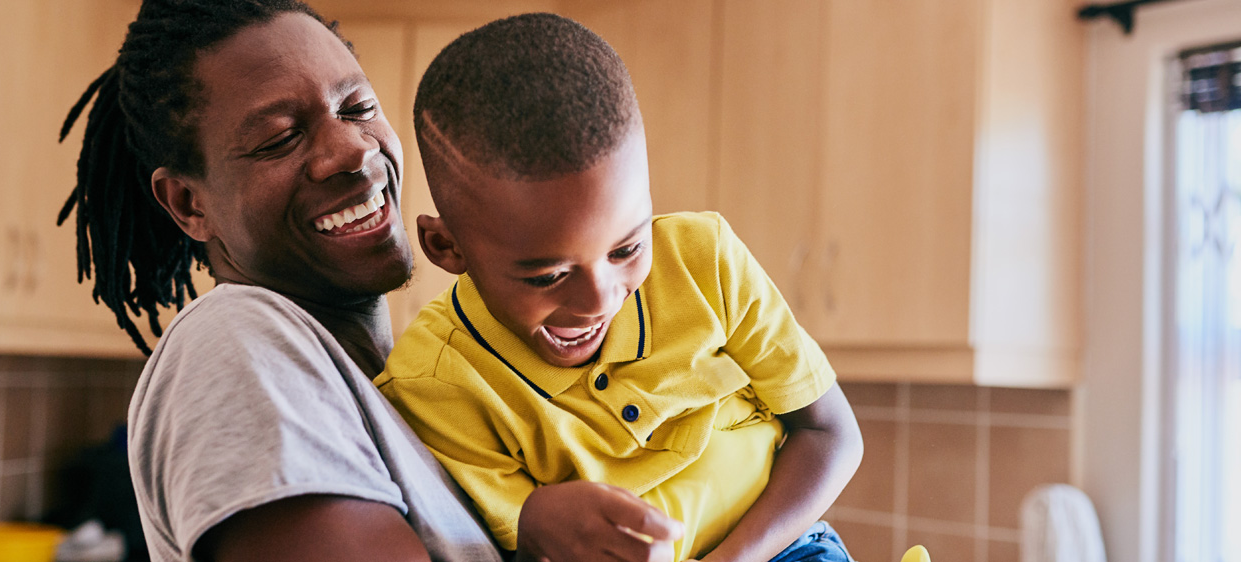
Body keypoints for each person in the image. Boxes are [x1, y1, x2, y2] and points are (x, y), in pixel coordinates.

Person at [57, 2, 687, 561]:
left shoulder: (420, 387)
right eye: (280, 138)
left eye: (357, 107)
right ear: (190, 204)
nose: (353, 151)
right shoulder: (234, 346)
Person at [375, 13, 866, 562]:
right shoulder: (435, 382)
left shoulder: (705, 259)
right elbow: (493, 543)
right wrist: (532, 523)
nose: (600, 299)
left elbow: (830, 435)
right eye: (548, 275)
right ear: (448, 250)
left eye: (626, 249)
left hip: (792, 548)